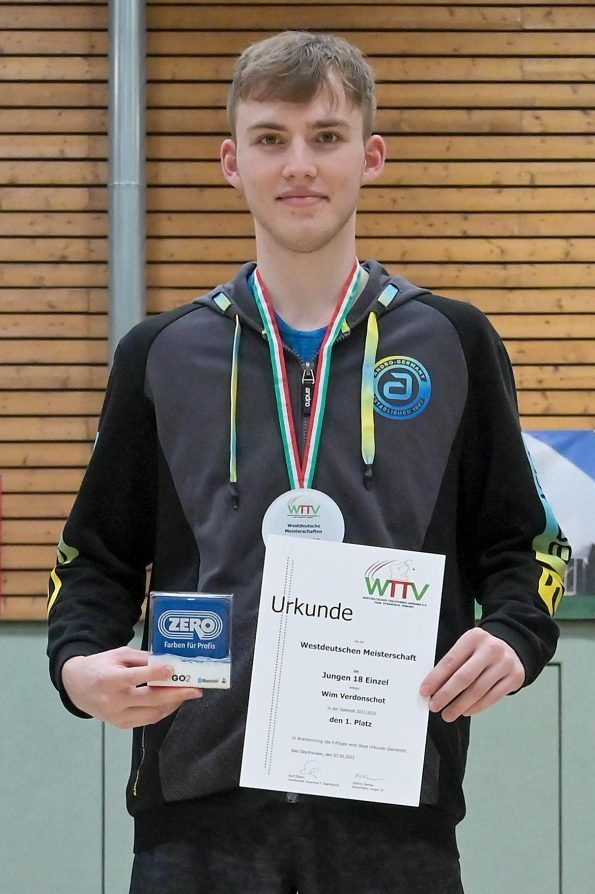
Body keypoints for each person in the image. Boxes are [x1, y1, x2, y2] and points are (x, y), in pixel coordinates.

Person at [47, 31, 570, 894]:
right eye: (270, 139)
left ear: (370, 156)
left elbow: (528, 547)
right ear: (231, 162)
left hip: (393, 815)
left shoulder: (452, 343)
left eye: (326, 137)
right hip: (194, 821)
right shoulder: (160, 355)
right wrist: (77, 667)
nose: (299, 165)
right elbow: (93, 560)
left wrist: (515, 635)